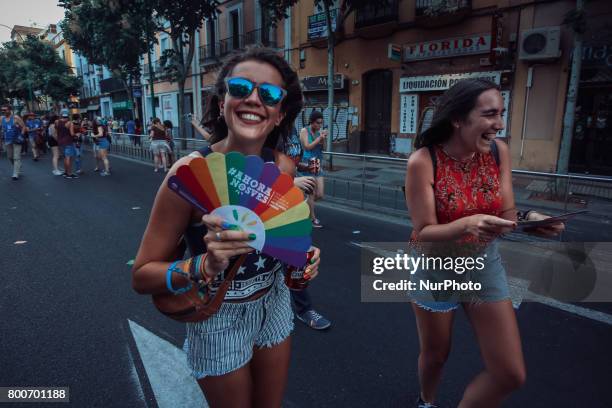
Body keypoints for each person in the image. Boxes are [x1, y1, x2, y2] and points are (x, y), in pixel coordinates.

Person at [132, 46, 321, 407]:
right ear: (222, 103)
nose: (253, 99)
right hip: (217, 314)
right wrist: (205, 264)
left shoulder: (282, 167)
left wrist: (304, 258)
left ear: (279, 114)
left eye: (268, 94)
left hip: (274, 304)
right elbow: (142, 276)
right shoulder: (188, 174)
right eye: (239, 88)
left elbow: (280, 243)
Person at [404, 79, 564, 408]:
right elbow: (422, 231)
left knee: (510, 374)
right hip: (437, 267)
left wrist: (531, 220)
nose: (499, 124)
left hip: (483, 264)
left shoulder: (497, 151)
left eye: (502, 114)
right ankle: (426, 400)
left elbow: (505, 212)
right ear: (458, 119)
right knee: (436, 355)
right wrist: (466, 224)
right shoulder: (423, 161)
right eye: (490, 114)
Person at [285, 125, 332, 330]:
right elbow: (253, 174)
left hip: (290, 206)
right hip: (267, 207)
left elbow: (291, 163)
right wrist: (290, 182)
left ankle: (304, 309)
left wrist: (305, 167)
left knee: (298, 257)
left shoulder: (291, 130)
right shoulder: (265, 131)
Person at [299, 110, 327, 228]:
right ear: (311, 121)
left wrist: (323, 139)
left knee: (320, 194)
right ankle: (312, 219)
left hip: (317, 162)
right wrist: (318, 138)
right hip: (308, 162)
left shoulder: (319, 132)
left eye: (321, 123)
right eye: (317, 123)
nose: (319, 125)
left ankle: (302, 208)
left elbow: (323, 148)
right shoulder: (304, 131)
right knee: (311, 194)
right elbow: (307, 147)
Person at [1, 105, 26, 180]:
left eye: (5, 110)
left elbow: (24, 127)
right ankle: (18, 166)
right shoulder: (1, 118)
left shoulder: (16, 118)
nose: (3, 111)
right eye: (2, 110)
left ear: (9, 110)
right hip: (7, 140)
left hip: (16, 140)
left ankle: (15, 174)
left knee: (16, 157)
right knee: (10, 157)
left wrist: (21, 135)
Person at [55, 109, 78, 179]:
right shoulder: (70, 123)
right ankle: (69, 173)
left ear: (61, 114)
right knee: (69, 158)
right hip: (68, 142)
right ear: (68, 115)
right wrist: (77, 134)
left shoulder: (56, 122)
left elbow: (56, 132)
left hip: (60, 142)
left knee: (65, 158)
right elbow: (72, 133)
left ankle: (65, 172)